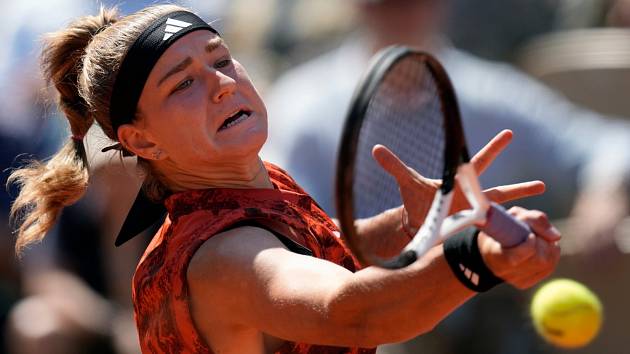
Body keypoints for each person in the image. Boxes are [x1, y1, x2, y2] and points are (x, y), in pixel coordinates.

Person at [8, 4, 560, 353]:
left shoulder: (256, 182)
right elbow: (352, 310)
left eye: (220, 60)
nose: (222, 84)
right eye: (183, 84)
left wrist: (417, 224)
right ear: (141, 141)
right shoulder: (223, 255)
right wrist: (474, 257)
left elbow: (324, 256)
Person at [262, 0, 630, 257]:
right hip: (365, 316)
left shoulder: (494, 94)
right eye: (386, 2)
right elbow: (285, 218)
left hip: (480, 317)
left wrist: (604, 191)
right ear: (359, 6)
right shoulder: (302, 104)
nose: (401, 12)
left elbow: (609, 142)